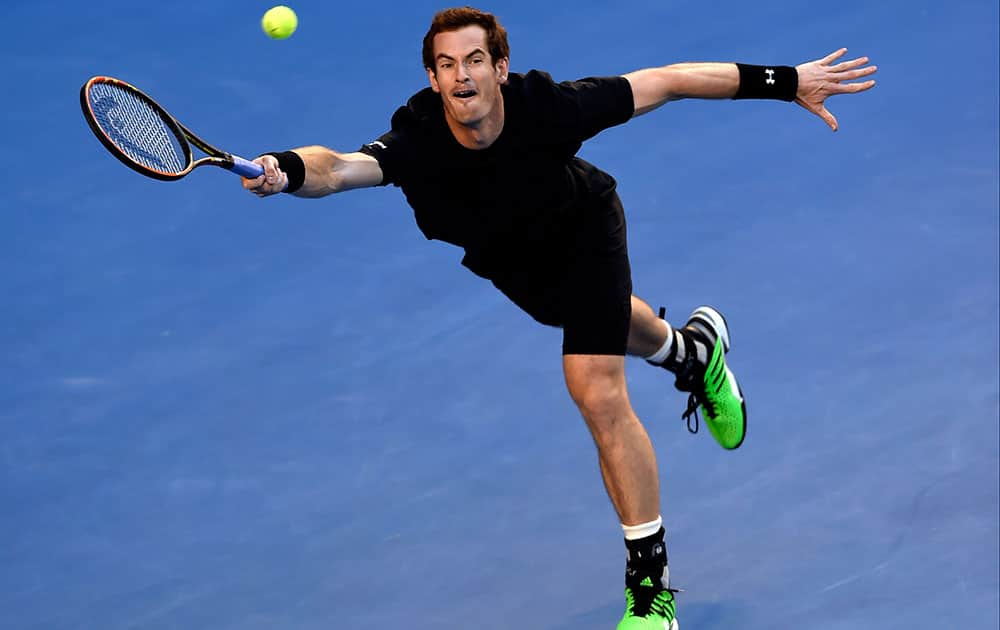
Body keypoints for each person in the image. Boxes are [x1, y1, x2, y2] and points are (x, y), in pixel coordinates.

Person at [243, 7, 877, 628]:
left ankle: (651, 592)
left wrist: (787, 81)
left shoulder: (549, 109)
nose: (461, 76)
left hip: (585, 233)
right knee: (594, 326)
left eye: (473, 60)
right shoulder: (417, 142)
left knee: (594, 386)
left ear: (500, 68)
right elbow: (339, 167)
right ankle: (694, 353)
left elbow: (669, 80)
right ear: (433, 80)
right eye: (446, 65)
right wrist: (286, 169)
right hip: (515, 267)